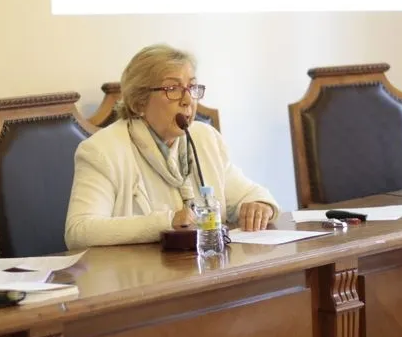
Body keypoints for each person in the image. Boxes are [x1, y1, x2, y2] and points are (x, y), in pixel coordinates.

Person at [64, 44, 279, 250]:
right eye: (172, 89)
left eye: (191, 87)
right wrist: (166, 222)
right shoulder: (102, 150)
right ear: (139, 102)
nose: (188, 100)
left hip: (205, 266)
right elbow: (80, 231)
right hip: (138, 272)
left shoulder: (205, 138)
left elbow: (247, 194)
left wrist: (259, 205)